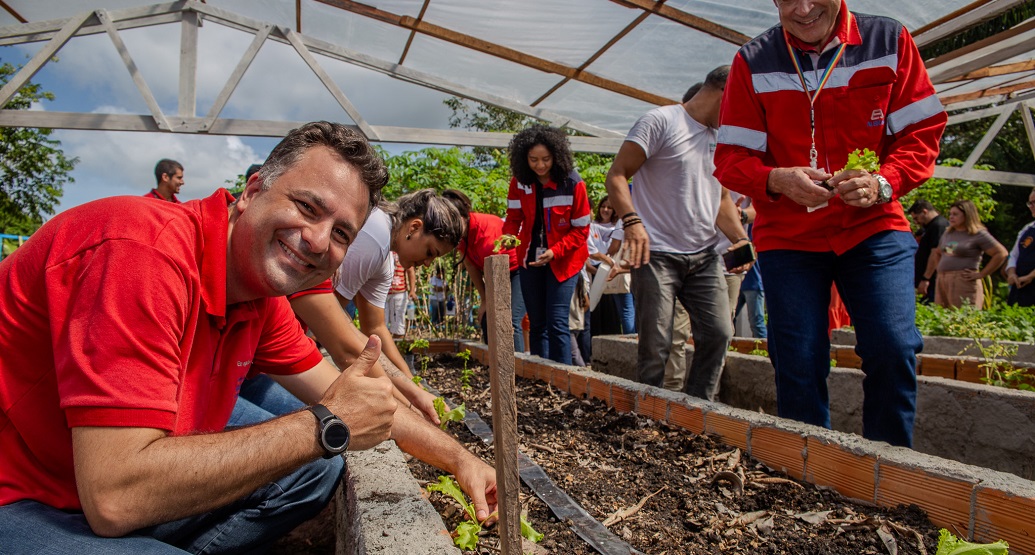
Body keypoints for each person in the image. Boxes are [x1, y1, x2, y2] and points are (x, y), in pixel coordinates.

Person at [0, 122, 497, 552]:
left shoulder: (259, 298)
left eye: (342, 233)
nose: (319, 241)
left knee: (315, 472)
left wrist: (461, 459)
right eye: (307, 207)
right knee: (311, 450)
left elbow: (355, 396)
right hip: (25, 491)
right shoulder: (142, 252)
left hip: (97, 481)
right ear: (253, 190)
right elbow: (114, 496)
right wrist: (325, 424)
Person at [713, 0, 948, 447]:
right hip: (789, 235)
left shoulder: (888, 41)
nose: (802, 9)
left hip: (873, 225)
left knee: (892, 346)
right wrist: (776, 179)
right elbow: (731, 159)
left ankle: (891, 468)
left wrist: (884, 182)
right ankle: (809, 470)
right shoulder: (752, 60)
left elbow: (922, 132)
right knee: (796, 356)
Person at [605, 66, 751, 401]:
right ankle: (647, 415)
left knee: (718, 332)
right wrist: (631, 221)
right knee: (657, 343)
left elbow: (722, 199)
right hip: (655, 254)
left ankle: (698, 411)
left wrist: (739, 238)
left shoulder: (722, 139)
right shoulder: (661, 121)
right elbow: (617, 175)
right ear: (724, 94)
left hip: (704, 256)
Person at [284, 189, 466, 425]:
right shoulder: (375, 236)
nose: (427, 263)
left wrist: (414, 387)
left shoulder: (386, 256)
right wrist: (408, 409)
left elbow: (376, 328)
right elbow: (335, 334)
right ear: (414, 227)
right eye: (430, 252)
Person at [504, 125, 591, 364]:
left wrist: (555, 251)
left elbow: (581, 229)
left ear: (557, 156)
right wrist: (506, 241)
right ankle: (541, 378)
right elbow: (513, 219)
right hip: (530, 259)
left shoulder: (573, 183)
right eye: (533, 160)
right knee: (536, 322)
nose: (540, 166)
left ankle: (564, 379)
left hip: (564, 261)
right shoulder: (519, 183)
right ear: (524, 159)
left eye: (545, 159)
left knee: (557, 321)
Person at [441, 189, 526, 352]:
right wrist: (485, 299)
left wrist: (491, 300)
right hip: (494, 274)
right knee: (487, 319)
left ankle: (518, 369)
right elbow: (471, 266)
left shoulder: (486, 232)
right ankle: (493, 368)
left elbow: (498, 270)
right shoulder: (458, 235)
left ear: (464, 216)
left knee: (510, 319)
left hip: (516, 271)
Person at [918, 199, 1007, 309]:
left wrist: (981, 274)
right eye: (950, 214)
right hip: (943, 279)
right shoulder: (948, 233)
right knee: (943, 318)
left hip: (963, 281)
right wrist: (940, 270)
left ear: (967, 215)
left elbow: (1001, 253)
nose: (951, 217)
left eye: (955, 214)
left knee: (963, 317)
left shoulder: (978, 233)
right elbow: (937, 252)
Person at [908, 200, 949, 304]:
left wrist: (926, 278)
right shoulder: (929, 227)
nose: (916, 222)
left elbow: (935, 253)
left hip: (931, 281)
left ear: (924, 212)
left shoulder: (939, 226)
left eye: (916, 218)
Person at [1006, 190, 1035, 307]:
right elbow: (1013, 255)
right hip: (1020, 287)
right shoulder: (1027, 228)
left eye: (1034, 202)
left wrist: (1030, 276)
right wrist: (1011, 273)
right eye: (1030, 203)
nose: (1031, 206)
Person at [385, 252, 408, 338]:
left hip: (399, 292)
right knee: (381, 323)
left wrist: (412, 290)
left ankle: (398, 348)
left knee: (398, 324)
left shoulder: (403, 251)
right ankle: (384, 349)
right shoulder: (383, 249)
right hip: (382, 293)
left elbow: (410, 269)